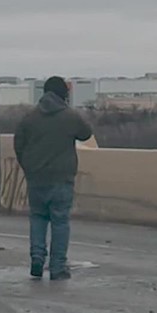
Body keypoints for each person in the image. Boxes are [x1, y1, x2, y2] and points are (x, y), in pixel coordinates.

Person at [13, 76, 93, 281]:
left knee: (38, 217)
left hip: (36, 177)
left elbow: (19, 145)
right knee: (60, 221)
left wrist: (28, 168)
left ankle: (37, 258)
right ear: (63, 95)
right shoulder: (70, 116)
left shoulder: (29, 117)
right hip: (61, 177)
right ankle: (57, 267)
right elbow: (86, 134)